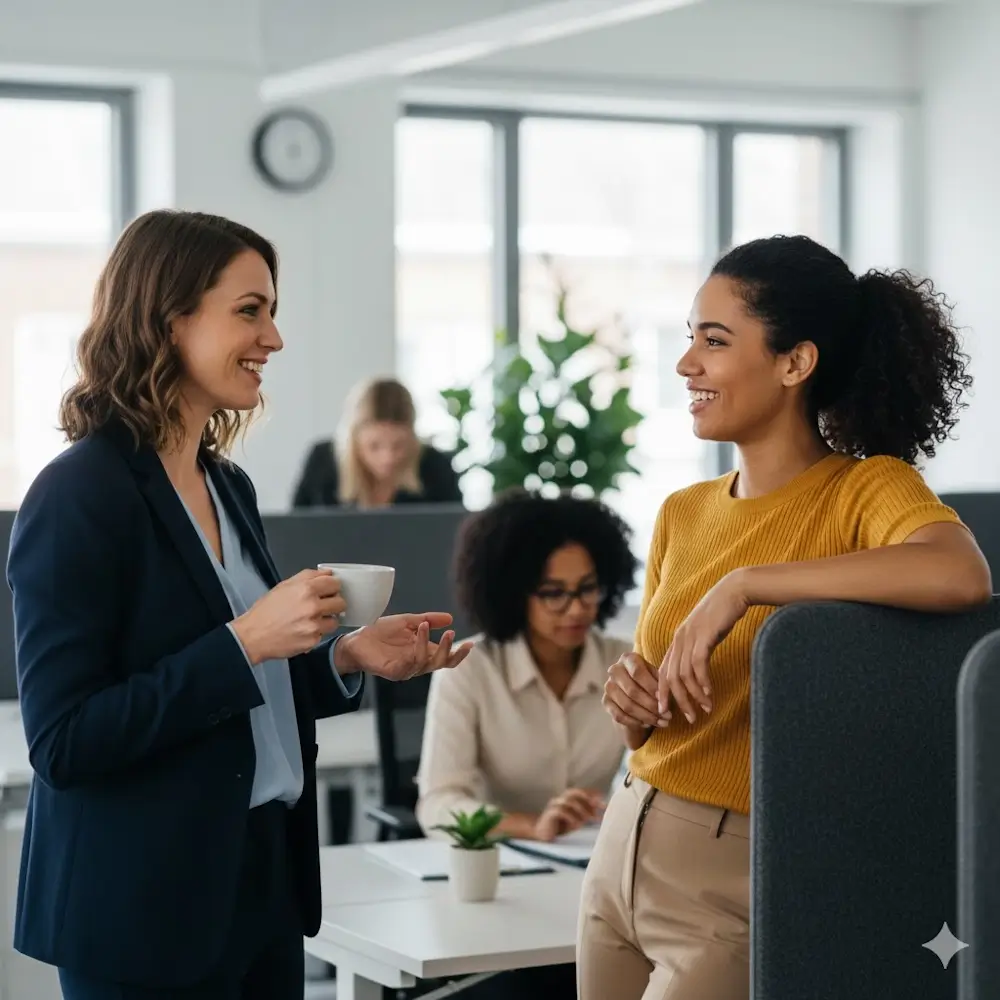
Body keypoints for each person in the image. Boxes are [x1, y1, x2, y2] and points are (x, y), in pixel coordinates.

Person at [6, 209, 472, 1000]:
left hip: (256, 880)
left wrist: (344, 657)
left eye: (273, 312)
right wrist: (247, 639)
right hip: (145, 906)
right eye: (249, 311)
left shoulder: (228, 485)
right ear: (170, 317)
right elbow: (64, 741)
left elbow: (246, 692)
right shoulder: (79, 493)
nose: (274, 339)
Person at [578, 235, 993, 1000]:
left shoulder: (864, 491)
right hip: (621, 848)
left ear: (794, 363)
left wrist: (746, 585)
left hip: (731, 880)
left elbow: (960, 573)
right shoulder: (682, 511)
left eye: (715, 340)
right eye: (689, 338)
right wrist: (631, 703)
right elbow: (659, 716)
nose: (686, 364)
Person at [416, 489, 638, 999]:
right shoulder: (468, 671)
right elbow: (439, 805)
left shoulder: (627, 663)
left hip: (594, 887)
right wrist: (532, 826)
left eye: (588, 588)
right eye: (553, 592)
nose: (576, 608)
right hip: (502, 893)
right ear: (515, 592)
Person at [292, 377, 462, 508]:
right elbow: (295, 533)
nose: (387, 457)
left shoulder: (436, 467)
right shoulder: (322, 462)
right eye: (374, 446)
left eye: (398, 445)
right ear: (354, 440)